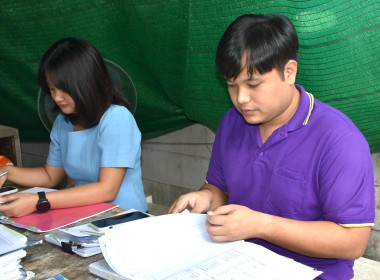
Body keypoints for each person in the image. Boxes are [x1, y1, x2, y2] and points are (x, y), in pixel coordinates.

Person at [168, 14, 375, 280]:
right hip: (237, 263)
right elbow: (219, 189)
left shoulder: (338, 140)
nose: (241, 99)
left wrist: (260, 225)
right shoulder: (232, 123)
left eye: (253, 84)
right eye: (232, 85)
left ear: (289, 72)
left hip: (312, 273)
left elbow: (353, 241)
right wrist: (205, 198)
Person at [0, 38, 148, 217]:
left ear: (87, 83)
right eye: (52, 89)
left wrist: (39, 200)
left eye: (63, 89)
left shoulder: (117, 118)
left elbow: (107, 190)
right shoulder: (63, 122)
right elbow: (50, 176)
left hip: (123, 217)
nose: (57, 97)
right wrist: (5, 172)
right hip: (83, 216)